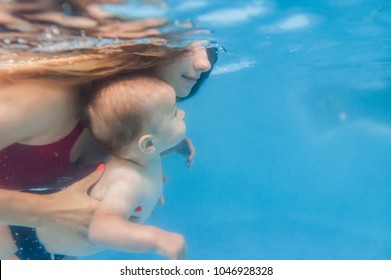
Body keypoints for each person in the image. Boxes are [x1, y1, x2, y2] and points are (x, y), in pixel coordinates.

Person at [0, 40, 216, 259]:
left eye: (209, 48)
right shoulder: (45, 98)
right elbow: (60, 212)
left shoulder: (131, 115)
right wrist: (47, 211)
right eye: (184, 45)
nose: (205, 63)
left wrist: (148, 164)